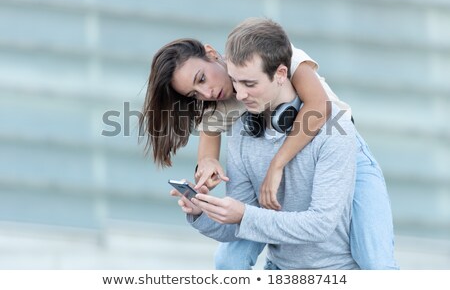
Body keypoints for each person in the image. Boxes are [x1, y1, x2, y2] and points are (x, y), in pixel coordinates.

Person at [140, 19, 398, 269]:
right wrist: (206, 172)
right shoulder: (218, 103)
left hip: (338, 149)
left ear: (211, 53)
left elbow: (318, 108)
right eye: (194, 93)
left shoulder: (270, 52)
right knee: (229, 260)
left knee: (375, 260)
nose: (206, 93)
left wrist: (276, 166)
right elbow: (210, 136)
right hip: (271, 157)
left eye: (202, 79)